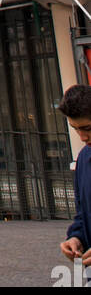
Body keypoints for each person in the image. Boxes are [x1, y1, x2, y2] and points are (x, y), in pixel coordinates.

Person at [60, 84, 91, 284]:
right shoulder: (84, 158)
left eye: (87, 128)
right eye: (75, 129)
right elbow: (83, 215)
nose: (82, 137)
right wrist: (76, 238)